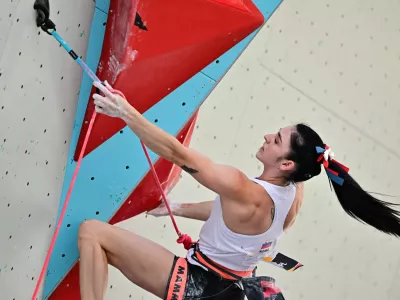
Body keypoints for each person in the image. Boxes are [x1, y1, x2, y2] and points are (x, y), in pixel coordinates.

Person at [77, 80, 400, 300]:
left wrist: (125, 112)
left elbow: (178, 154)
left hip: (204, 285)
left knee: (93, 233)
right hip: (231, 286)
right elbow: (233, 216)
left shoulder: (244, 188)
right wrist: (178, 208)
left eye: (275, 140)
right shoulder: (292, 193)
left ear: (286, 164)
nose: (266, 137)